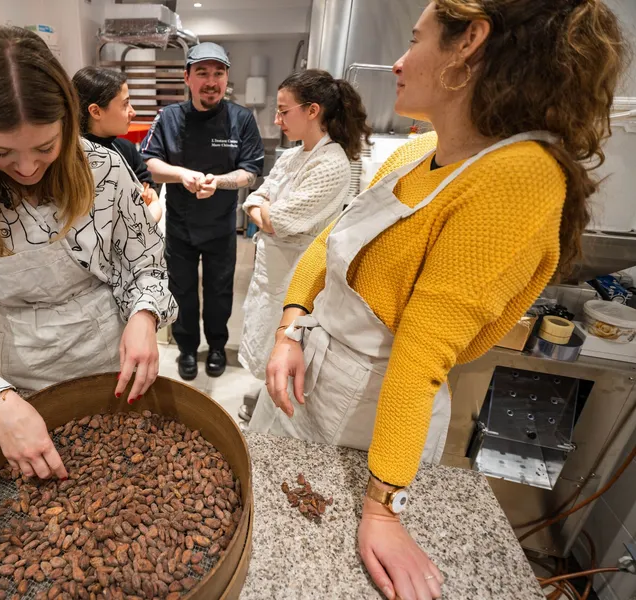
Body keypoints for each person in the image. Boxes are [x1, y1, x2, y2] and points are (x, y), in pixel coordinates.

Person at [250, 1, 627, 599]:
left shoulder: (517, 177)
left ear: (469, 43)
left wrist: (382, 508)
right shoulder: (416, 153)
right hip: (311, 369)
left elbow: (421, 353)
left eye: (415, 40)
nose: (399, 63)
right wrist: (290, 328)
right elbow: (331, 241)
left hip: (371, 407)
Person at [0, 26, 178, 482]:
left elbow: (144, 262)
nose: (28, 167)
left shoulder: (103, 168)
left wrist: (145, 316)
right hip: (16, 368)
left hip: (108, 354)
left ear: (68, 123)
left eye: (46, 147)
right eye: (0, 151)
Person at [237, 69, 371, 421]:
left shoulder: (332, 165)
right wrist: (263, 211)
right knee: (264, 335)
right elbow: (255, 199)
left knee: (287, 345)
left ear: (313, 111)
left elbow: (277, 220)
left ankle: (277, 414)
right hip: (272, 269)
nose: (277, 119)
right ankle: (266, 402)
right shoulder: (292, 156)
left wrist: (265, 213)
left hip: (298, 276)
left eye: (284, 111)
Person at [141, 42, 265, 380]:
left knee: (219, 293)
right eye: (202, 73)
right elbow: (149, 163)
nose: (211, 82)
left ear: (226, 78)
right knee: (181, 291)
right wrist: (182, 175)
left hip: (221, 226)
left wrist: (219, 182)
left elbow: (251, 170)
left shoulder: (241, 119)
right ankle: (186, 349)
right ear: (187, 78)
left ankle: (217, 347)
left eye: (218, 73)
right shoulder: (169, 117)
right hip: (179, 226)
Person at [73, 66, 162, 223]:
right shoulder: (71, 157)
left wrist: (150, 204)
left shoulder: (125, 149)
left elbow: (150, 191)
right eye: (125, 104)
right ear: (96, 111)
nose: (132, 112)